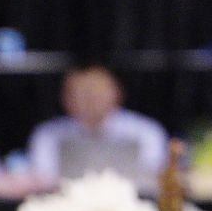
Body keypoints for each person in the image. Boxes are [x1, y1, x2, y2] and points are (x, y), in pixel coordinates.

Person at [25, 66, 167, 189]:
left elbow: (153, 179)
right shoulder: (48, 134)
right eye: (82, 94)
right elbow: (42, 180)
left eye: (97, 92)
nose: (90, 100)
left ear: (117, 93)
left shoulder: (146, 131)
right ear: (65, 99)